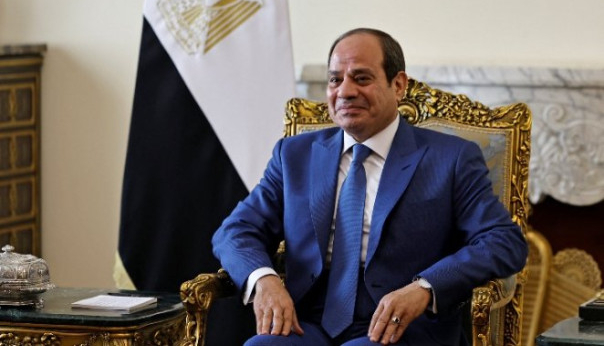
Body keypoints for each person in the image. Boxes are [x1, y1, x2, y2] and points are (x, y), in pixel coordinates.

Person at [212, 27, 528, 345]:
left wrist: (425, 287)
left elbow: (503, 241)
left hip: (402, 328)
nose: (345, 91)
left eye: (361, 78)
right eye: (335, 80)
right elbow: (236, 230)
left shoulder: (451, 158)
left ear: (398, 85)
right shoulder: (295, 154)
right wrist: (264, 279)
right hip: (306, 323)